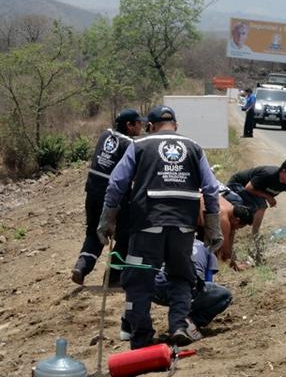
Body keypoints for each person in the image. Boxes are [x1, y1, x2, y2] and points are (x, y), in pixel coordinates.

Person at [97, 105, 223, 349]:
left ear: (150, 126)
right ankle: (178, 326)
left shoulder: (140, 145)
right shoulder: (194, 148)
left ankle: (141, 337)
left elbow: (116, 183)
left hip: (146, 224)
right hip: (184, 227)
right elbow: (210, 188)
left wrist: (107, 219)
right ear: (175, 125)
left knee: (138, 280)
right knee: (181, 277)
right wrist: (213, 228)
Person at [71, 108, 144, 286]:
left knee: (94, 232)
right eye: (138, 123)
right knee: (125, 234)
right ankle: (113, 276)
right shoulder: (129, 144)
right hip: (114, 196)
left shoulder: (105, 135)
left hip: (92, 191)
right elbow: (133, 174)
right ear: (129, 125)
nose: (141, 126)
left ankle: (82, 267)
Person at [120, 239, 232, 342]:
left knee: (139, 288)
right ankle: (191, 321)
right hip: (185, 291)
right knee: (224, 295)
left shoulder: (168, 240)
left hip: (157, 287)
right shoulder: (206, 249)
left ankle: (127, 325)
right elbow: (207, 282)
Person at [225, 158, 286, 235]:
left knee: (259, 205)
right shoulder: (269, 174)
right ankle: (255, 236)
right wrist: (268, 196)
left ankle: (253, 234)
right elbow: (249, 188)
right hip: (236, 185)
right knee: (260, 205)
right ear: (284, 172)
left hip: (250, 191)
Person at [199, 195, 254, 271]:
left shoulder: (230, 208)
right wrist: (236, 267)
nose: (237, 229)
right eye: (239, 227)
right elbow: (224, 253)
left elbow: (230, 239)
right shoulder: (224, 219)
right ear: (237, 220)